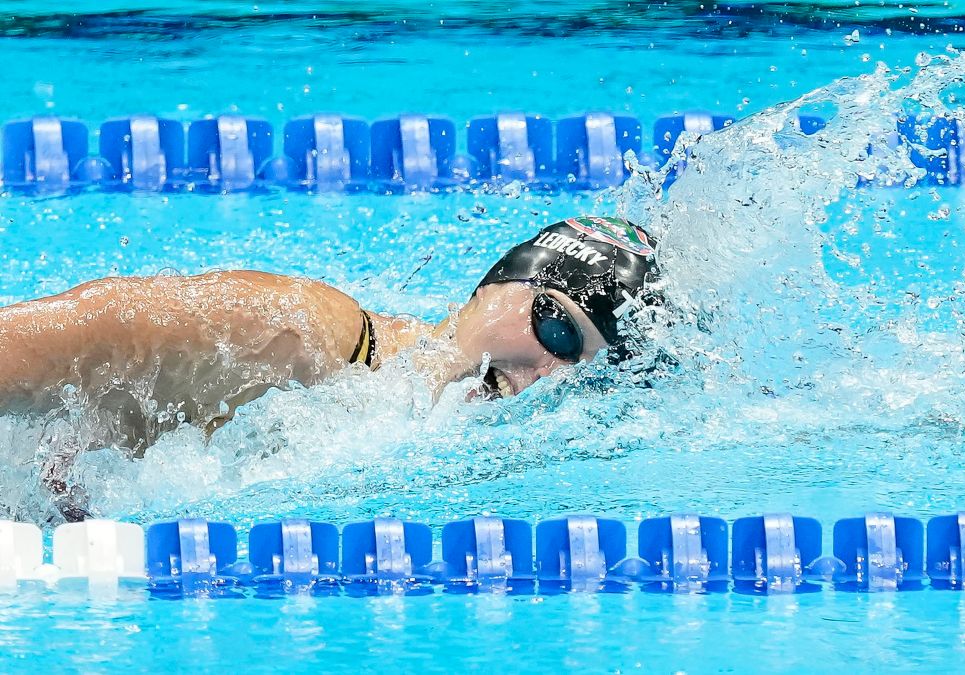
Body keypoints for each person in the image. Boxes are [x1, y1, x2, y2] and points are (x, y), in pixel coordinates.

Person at [0, 215, 658, 520]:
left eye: (583, 373)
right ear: (495, 285)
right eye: (555, 325)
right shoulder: (304, 328)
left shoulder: (408, 437)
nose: (547, 371)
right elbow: (66, 333)